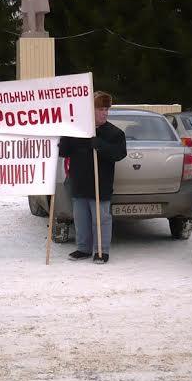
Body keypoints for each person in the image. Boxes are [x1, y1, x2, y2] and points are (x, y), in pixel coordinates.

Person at [58, 91, 127, 264]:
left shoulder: (114, 133)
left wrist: (100, 145)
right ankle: (83, 248)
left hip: (100, 185)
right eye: (100, 109)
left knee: (101, 220)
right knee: (81, 219)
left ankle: (101, 251)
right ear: (90, 110)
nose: (105, 113)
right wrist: (64, 136)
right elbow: (64, 152)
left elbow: (119, 153)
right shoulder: (78, 131)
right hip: (79, 183)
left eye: (106, 109)